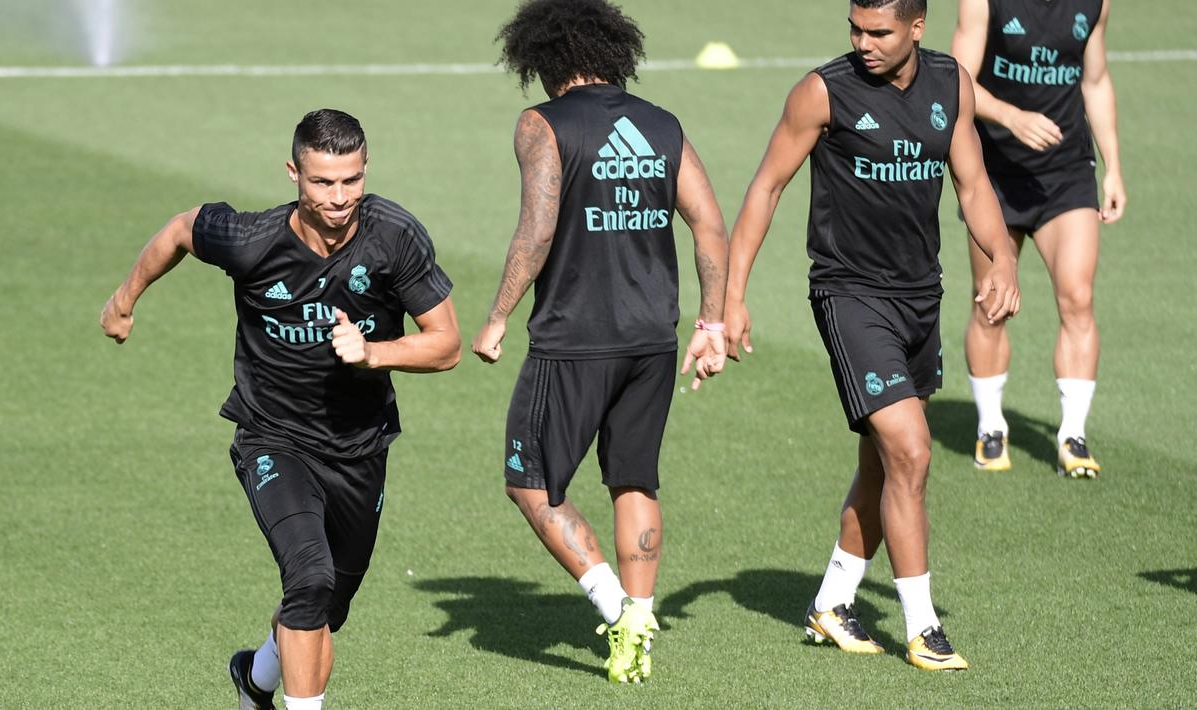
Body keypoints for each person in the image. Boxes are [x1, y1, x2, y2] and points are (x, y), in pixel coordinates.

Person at [99, 109, 461, 709]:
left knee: (326, 607)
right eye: (322, 182)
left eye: (351, 180)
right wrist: (124, 298)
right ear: (294, 173)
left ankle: (253, 681)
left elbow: (446, 344)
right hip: (273, 440)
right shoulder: (252, 240)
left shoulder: (395, 236)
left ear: (366, 168)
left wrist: (373, 352)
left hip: (359, 448)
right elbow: (182, 230)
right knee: (309, 580)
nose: (339, 198)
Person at [724, 0, 1020, 671]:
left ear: (917, 27)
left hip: (921, 297)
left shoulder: (951, 85)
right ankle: (922, 628)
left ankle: (830, 604)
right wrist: (731, 298)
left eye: (878, 32)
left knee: (880, 464)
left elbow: (972, 185)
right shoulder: (822, 92)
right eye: (854, 29)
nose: (863, 43)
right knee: (911, 452)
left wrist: (1001, 257)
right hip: (849, 296)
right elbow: (766, 187)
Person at [472, 0, 729, 684]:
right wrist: (711, 323)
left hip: (573, 339)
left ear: (541, 57)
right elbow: (708, 225)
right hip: (652, 340)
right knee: (633, 479)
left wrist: (498, 315)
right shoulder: (661, 125)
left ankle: (615, 605)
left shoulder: (542, 125)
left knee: (530, 481)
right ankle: (640, 617)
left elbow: (537, 228)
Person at [952, 0, 1125, 478]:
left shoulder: (1095, 4)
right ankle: (990, 427)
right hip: (995, 175)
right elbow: (958, 81)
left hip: (1066, 172)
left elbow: (1095, 80)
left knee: (1078, 297)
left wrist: (1112, 167)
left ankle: (1073, 433)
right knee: (992, 302)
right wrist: (1011, 117)